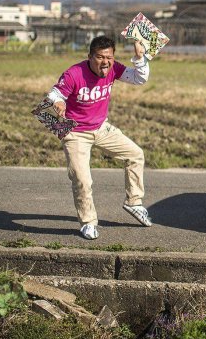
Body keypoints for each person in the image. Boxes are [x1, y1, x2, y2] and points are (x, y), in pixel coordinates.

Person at [45, 35, 152, 240]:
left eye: (109, 57)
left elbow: (139, 78)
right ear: (90, 57)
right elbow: (55, 93)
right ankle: (88, 222)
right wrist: (58, 102)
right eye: (100, 57)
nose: (105, 62)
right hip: (76, 133)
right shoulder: (74, 73)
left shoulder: (114, 69)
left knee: (136, 154)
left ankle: (134, 202)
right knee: (82, 179)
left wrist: (140, 58)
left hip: (101, 127)